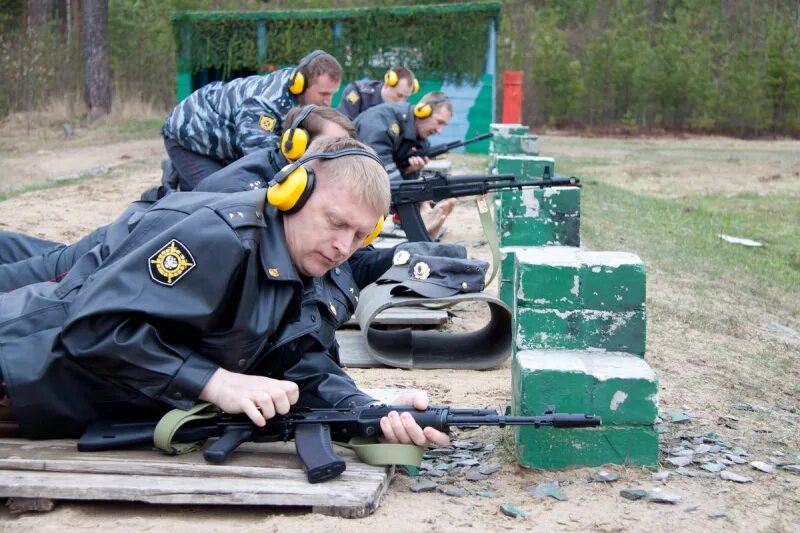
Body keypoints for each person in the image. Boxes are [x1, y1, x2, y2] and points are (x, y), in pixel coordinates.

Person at [0, 137, 450, 452]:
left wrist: (369, 410)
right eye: (335, 223)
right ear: (292, 192)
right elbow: (96, 328)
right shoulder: (219, 237)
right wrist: (216, 382)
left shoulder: (309, 268)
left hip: (64, 407)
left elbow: (300, 365)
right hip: (20, 366)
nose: (342, 247)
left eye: (358, 235)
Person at [0, 106, 397, 292]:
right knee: (45, 275)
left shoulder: (281, 184)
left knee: (43, 256)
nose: (336, 158)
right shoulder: (246, 185)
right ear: (295, 146)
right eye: (328, 147)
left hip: (130, 239)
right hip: (128, 245)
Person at [161, 49, 343, 191]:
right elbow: (260, 158)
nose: (328, 102)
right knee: (215, 196)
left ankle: (179, 175)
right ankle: (161, 194)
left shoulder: (297, 90)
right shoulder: (264, 103)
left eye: (332, 94)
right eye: (323, 94)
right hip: (189, 137)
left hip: (226, 140)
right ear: (301, 83)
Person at [354, 91, 457, 238]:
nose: (439, 131)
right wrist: (419, 201)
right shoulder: (380, 120)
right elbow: (377, 167)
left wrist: (410, 171)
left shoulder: (419, 138)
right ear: (423, 111)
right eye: (439, 122)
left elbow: (398, 176)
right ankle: (424, 216)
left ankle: (424, 216)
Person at [336, 66, 419, 120]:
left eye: (406, 97)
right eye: (399, 95)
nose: (402, 102)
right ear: (387, 84)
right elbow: (344, 125)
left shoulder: (404, 111)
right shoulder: (358, 93)